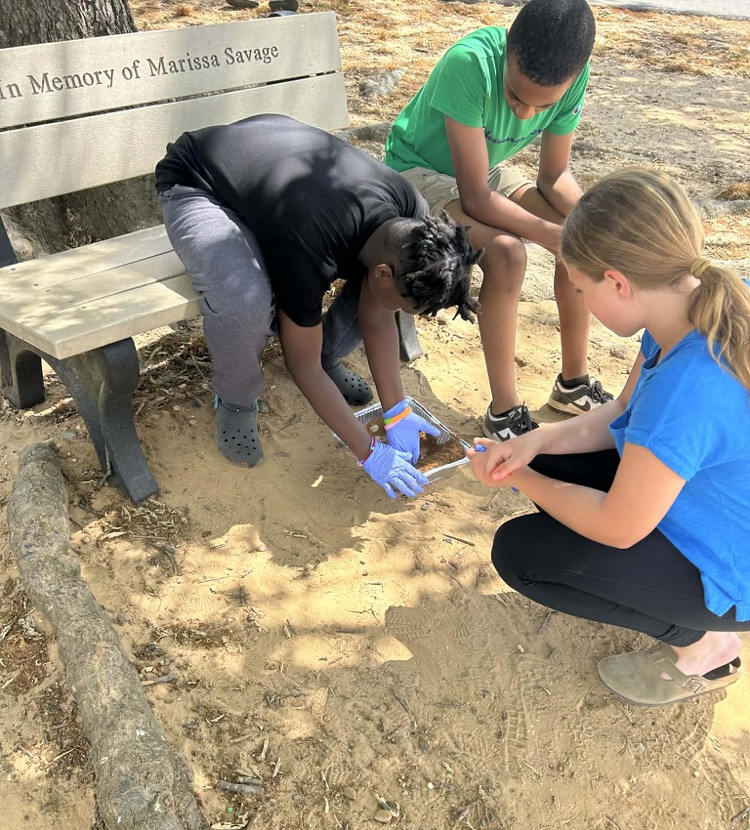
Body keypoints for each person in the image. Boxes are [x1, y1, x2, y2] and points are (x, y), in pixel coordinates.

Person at [468, 167, 750, 707]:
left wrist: (520, 478)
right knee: (555, 464)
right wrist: (536, 443)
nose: (579, 299)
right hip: (718, 503)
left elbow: (618, 527)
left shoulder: (686, 391)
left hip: (735, 568)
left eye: (579, 287)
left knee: (521, 553)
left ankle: (705, 643)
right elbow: (622, 409)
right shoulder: (691, 303)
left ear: (618, 282)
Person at [155, 113, 481, 498]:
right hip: (199, 180)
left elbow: (378, 313)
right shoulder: (308, 243)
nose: (401, 315)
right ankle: (237, 399)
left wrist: (398, 411)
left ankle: (331, 355)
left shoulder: (411, 219)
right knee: (244, 300)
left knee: (367, 296)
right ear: (383, 271)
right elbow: (301, 364)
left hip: (274, 164)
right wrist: (368, 451)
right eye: (406, 307)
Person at [384, 0, 613, 442]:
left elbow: (555, 175)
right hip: (417, 172)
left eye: (541, 105)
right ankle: (504, 411)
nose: (526, 114)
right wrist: (550, 233)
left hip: (481, 167)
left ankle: (572, 383)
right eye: (515, 97)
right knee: (508, 254)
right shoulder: (468, 63)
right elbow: (475, 196)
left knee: (582, 239)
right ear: (508, 51)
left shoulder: (572, 75)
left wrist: (592, 222)